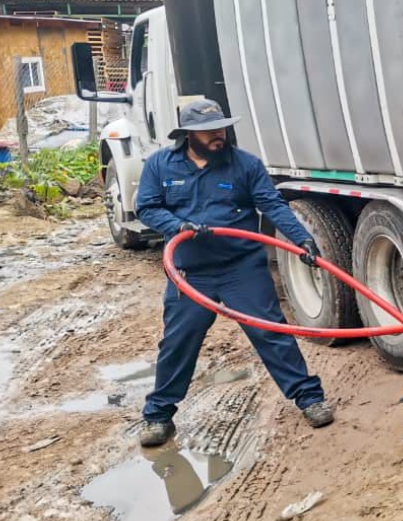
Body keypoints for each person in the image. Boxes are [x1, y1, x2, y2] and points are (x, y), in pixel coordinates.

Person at [135, 99, 333, 447]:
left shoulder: (244, 165)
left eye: (222, 128)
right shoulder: (160, 166)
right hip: (189, 272)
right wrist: (178, 225)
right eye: (210, 132)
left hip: (241, 268)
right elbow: (147, 208)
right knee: (178, 343)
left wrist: (302, 237)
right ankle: (158, 416)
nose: (219, 136)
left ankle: (309, 398)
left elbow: (272, 204)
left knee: (271, 332)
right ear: (188, 135)